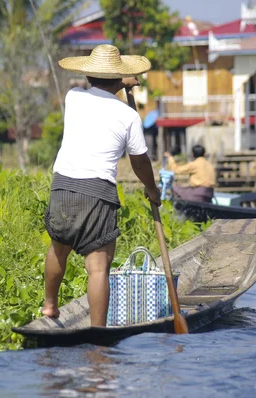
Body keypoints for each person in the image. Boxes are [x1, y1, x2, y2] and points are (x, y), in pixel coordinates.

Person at [42, 44, 161, 327]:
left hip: (62, 187)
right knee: (97, 268)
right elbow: (140, 162)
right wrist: (152, 189)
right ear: (119, 79)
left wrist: (121, 83)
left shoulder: (74, 97)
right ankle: (98, 332)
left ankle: (49, 306)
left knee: (59, 248)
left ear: (88, 76)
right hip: (98, 191)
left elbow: (99, 91)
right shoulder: (128, 116)